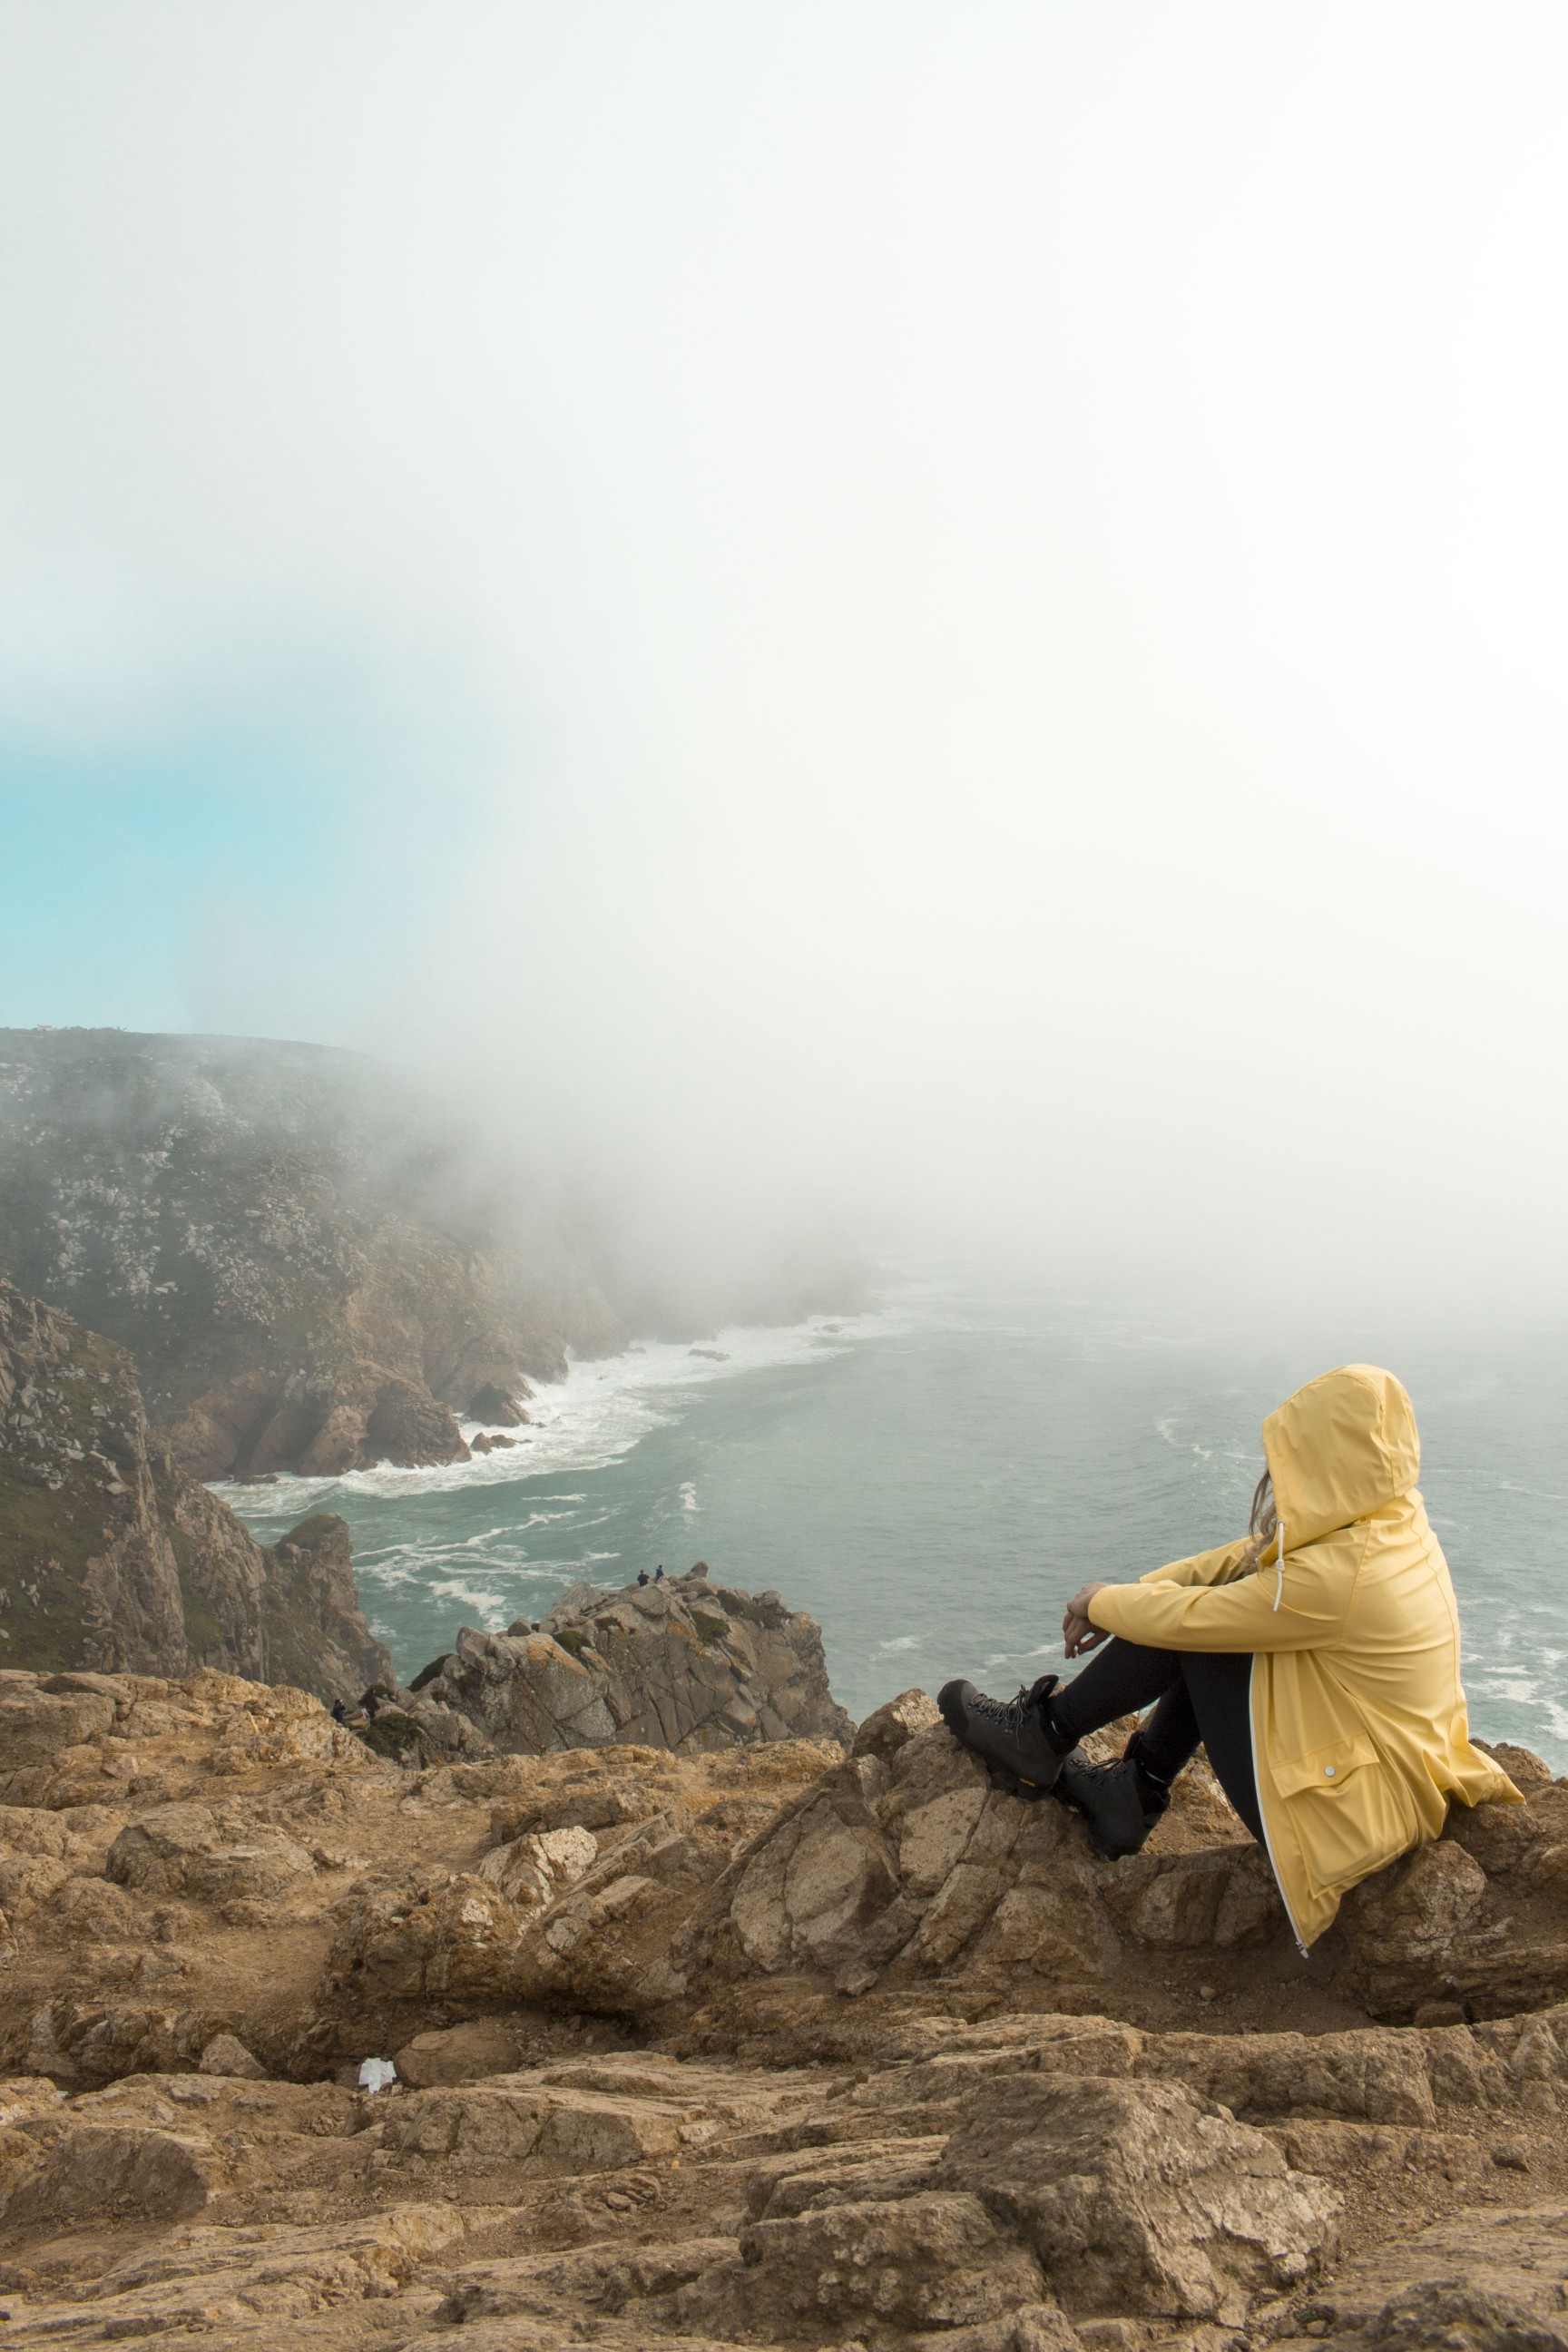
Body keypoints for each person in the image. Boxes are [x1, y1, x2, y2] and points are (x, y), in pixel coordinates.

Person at [939, 1364, 1520, 1949]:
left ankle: (1045, 1735)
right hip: (1384, 1780)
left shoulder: (1346, 1576)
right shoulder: (1391, 1519)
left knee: (1207, 1637)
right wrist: (1125, 1593)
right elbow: (1244, 1557)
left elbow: (1193, 1618)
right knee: (1208, 1618)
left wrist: (1103, 1604)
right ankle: (1131, 1792)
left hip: (1352, 1822)